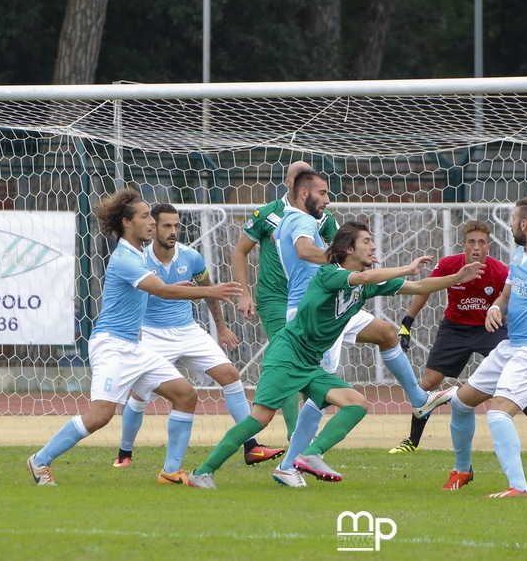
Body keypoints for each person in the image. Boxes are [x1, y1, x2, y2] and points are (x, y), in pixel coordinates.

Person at [186, 221, 485, 489]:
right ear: (347, 248)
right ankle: (203, 472)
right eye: (366, 241)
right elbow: (367, 280)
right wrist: (406, 268)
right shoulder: (329, 274)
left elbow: (419, 285)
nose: (372, 246)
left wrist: (457, 277)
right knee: (260, 419)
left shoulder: (363, 283)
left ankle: (310, 454)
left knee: (356, 404)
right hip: (286, 356)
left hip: (309, 362)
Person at [25, 189, 242, 486]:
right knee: (101, 415)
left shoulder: (138, 255)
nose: (152, 223)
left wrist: (177, 285)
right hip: (111, 346)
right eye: (145, 217)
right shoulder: (125, 258)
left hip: (135, 347)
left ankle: (170, 471)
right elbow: (161, 291)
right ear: (127, 223)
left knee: (185, 395)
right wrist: (209, 290)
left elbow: (155, 289)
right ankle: (39, 461)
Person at [269, 171, 457, 487]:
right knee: (319, 397)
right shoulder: (300, 222)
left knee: (386, 332)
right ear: (304, 193)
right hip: (316, 312)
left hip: (341, 302)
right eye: (323, 192)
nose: (328, 199)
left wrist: (459, 278)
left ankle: (418, 398)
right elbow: (305, 252)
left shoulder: (317, 222)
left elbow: (417, 284)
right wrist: (340, 259)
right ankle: (289, 464)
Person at [111, 203, 285, 477]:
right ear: (153, 227)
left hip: (188, 330)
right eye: (167, 225)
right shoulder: (138, 260)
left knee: (230, 374)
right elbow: (135, 298)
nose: (173, 231)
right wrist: (136, 330)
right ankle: (124, 452)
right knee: (140, 394)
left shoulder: (191, 258)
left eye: (177, 226)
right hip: (152, 332)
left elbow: (208, 291)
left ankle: (251, 445)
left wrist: (221, 328)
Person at [390, 220, 527, 458]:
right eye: (471, 242)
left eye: (482, 243)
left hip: (489, 329)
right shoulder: (448, 265)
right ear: (463, 245)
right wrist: (407, 323)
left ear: (489, 247)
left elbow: (510, 298)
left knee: (514, 380)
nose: (476, 247)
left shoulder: (499, 271)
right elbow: (424, 289)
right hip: (454, 329)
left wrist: (505, 316)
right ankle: (412, 441)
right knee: (428, 384)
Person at [442, 197, 527, 497]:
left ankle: (518, 487)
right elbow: (506, 295)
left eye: (514, 219)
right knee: (461, 403)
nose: (512, 224)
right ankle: (463, 470)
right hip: (512, 346)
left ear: (524, 224)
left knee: (498, 412)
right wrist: (495, 307)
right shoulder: (519, 253)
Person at [232, 161, 339, 439]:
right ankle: (296, 434)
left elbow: (340, 248)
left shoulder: (322, 216)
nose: (298, 183)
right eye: (294, 178)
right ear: (288, 182)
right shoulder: (268, 214)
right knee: (290, 362)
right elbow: (239, 252)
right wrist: (244, 292)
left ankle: (306, 429)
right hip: (275, 299)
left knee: (313, 365)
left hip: (310, 298)